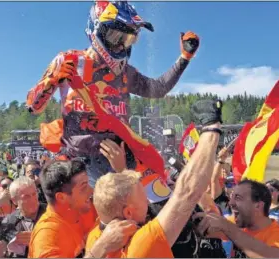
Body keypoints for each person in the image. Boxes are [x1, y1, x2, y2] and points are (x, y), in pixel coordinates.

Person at [26, 0, 200, 187]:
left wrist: (185, 58)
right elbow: (33, 107)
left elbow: (157, 88)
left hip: (121, 157)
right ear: (96, 29)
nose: (120, 45)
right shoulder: (70, 61)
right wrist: (50, 82)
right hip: (79, 160)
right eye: (115, 36)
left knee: (159, 202)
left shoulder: (126, 73)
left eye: (127, 39)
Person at [86, 100, 224, 258]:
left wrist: (122, 171)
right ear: (129, 212)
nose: (149, 200)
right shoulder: (142, 245)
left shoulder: (96, 241)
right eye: (144, 197)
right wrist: (211, 128)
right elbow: (188, 191)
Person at [193, 180, 279, 258]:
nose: (230, 203)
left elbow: (275, 256)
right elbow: (204, 228)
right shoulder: (239, 222)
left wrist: (227, 226)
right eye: (232, 197)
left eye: (238, 198)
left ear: (258, 206)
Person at [28, 159, 97, 258]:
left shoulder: (87, 206)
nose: (91, 190)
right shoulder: (46, 236)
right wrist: (99, 249)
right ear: (61, 197)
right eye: (83, 187)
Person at [0, 177, 46, 258]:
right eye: (26, 197)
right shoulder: (9, 222)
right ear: (14, 201)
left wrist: (40, 239)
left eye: (34, 193)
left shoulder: (51, 213)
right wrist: (0, 254)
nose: (33, 199)